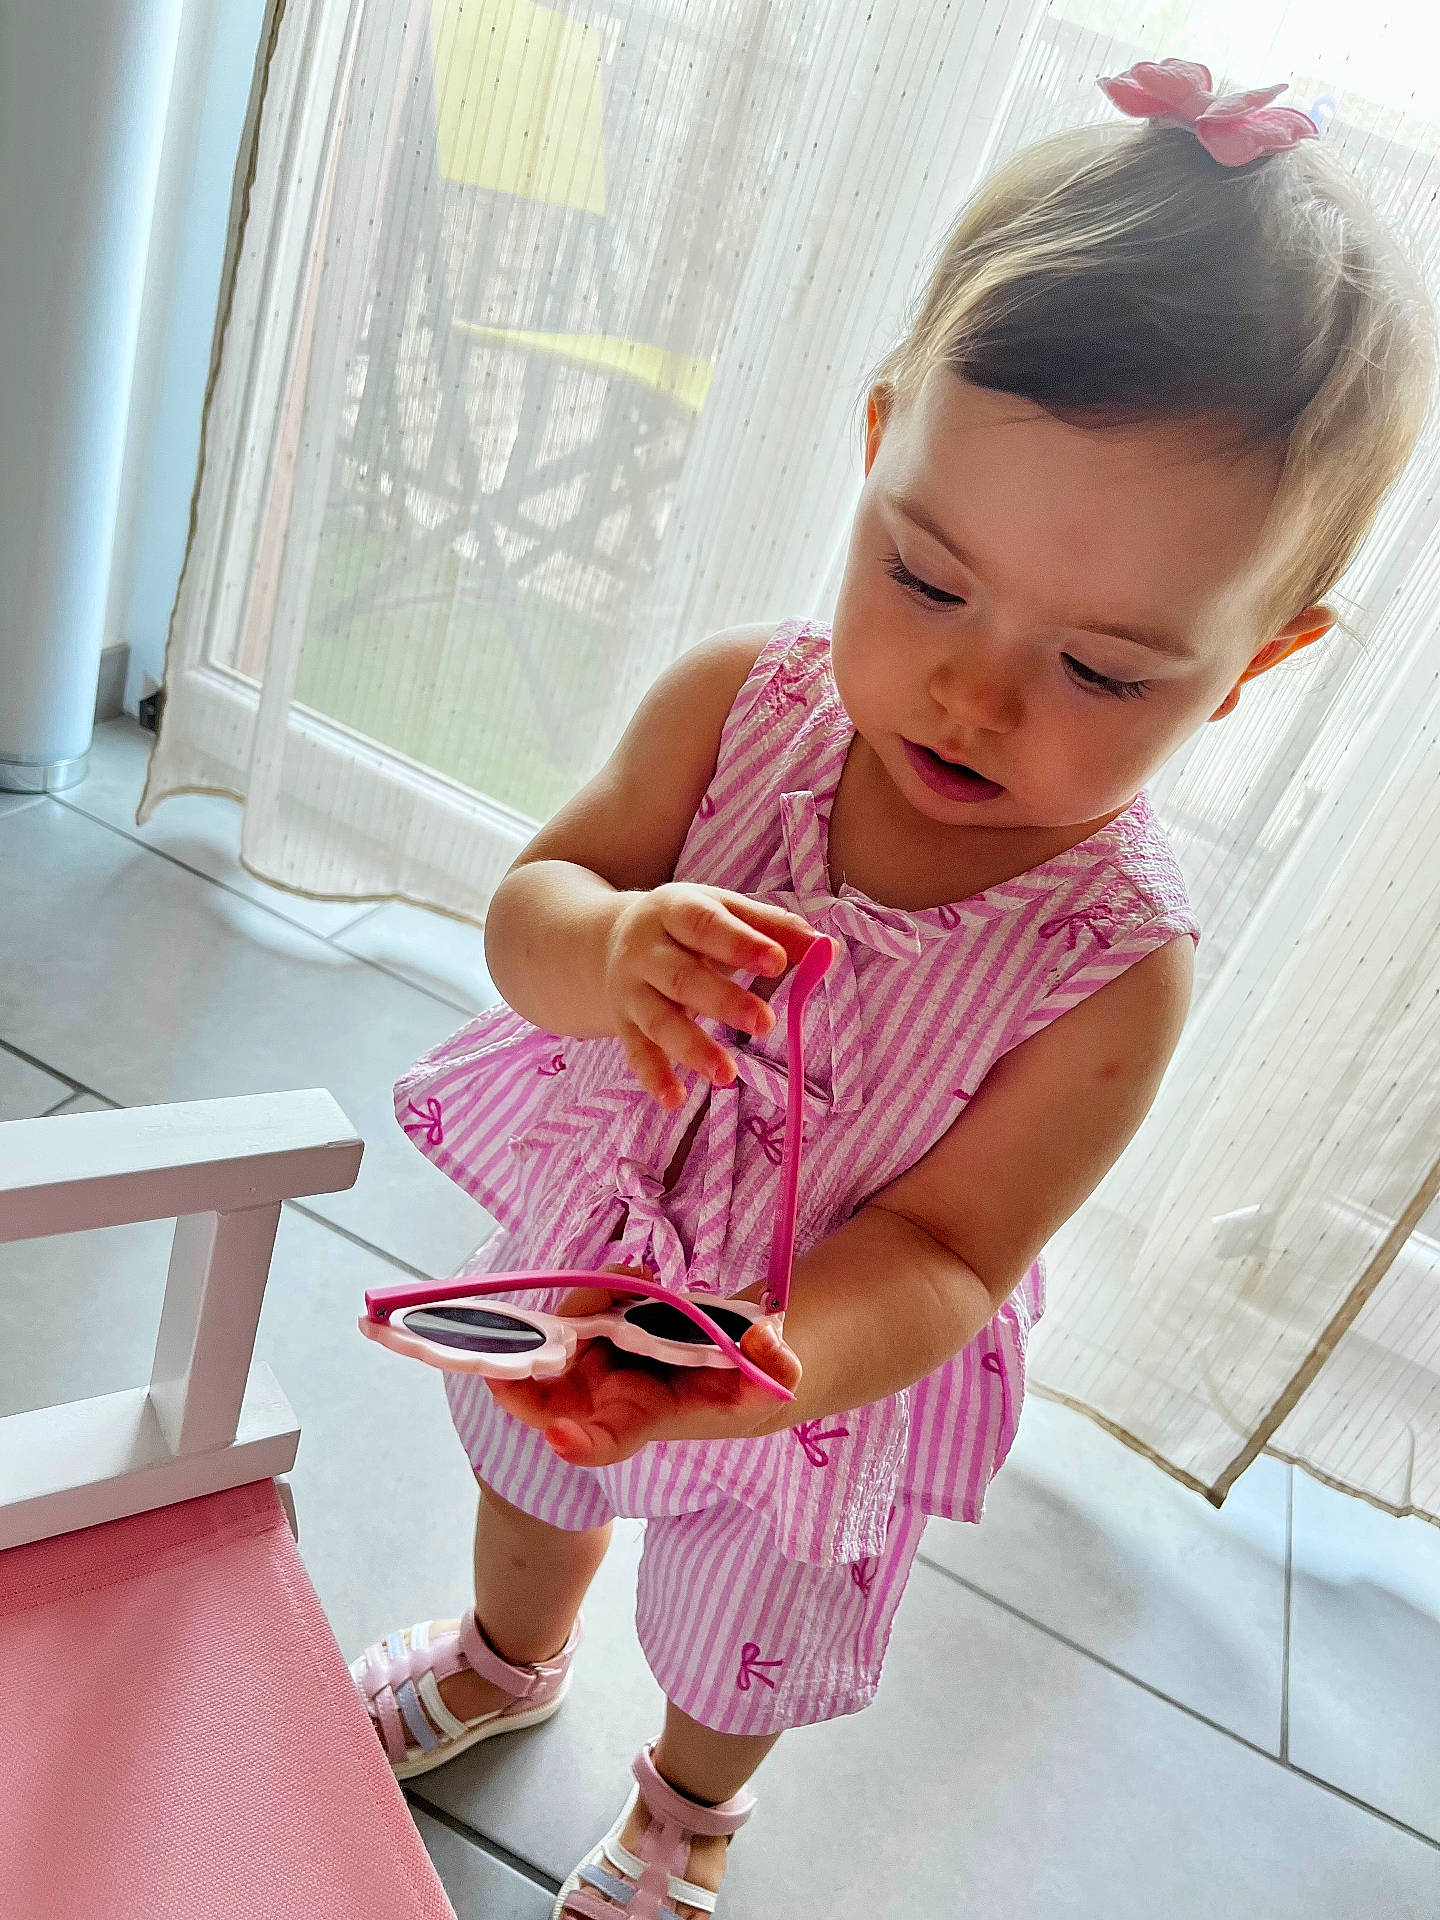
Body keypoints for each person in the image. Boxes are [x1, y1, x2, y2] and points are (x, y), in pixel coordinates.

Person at [353, 59, 1434, 1919]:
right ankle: (502, 1661)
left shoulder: (1115, 967)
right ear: (873, 450)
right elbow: (530, 916)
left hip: (807, 1379)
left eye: (1106, 675)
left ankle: (685, 1817)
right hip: (592, 1246)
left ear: (1259, 662)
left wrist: (751, 1381)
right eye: (926, 577)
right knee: (530, 1482)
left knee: (740, 1636)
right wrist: (610, 951)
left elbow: (948, 1253)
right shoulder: (737, 708)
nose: (975, 695)